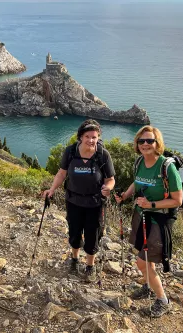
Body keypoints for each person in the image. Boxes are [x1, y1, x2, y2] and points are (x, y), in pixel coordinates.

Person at [115, 125, 183, 317]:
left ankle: (163, 300)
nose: (145, 144)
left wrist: (150, 204)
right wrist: (126, 195)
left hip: (159, 220)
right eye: (141, 141)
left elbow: (177, 200)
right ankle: (147, 286)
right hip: (141, 215)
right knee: (145, 259)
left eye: (150, 141)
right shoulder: (140, 163)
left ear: (157, 143)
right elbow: (137, 182)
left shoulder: (166, 167)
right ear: (137, 143)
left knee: (142, 262)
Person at [42, 119, 115, 283]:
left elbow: (110, 179)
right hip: (73, 201)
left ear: (98, 138)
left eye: (94, 137)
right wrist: (52, 190)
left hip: (95, 203)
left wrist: (108, 188)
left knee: (93, 234)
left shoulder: (103, 154)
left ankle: (90, 265)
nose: (91, 140)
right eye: (87, 136)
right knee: (74, 233)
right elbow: (61, 173)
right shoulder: (70, 152)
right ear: (80, 137)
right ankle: (74, 259)